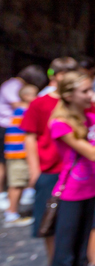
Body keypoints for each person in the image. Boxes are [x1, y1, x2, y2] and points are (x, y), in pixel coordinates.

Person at [46, 71, 95, 266]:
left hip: (90, 192)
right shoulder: (60, 124)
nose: (90, 95)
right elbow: (92, 154)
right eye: (85, 91)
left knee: (80, 257)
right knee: (63, 259)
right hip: (71, 194)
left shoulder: (90, 118)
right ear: (69, 95)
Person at [21, 57, 80, 261]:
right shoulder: (40, 103)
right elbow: (30, 136)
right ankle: (54, 264)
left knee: (77, 222)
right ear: (55, 77)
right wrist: (35, 170)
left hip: (75, 171)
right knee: (49, 223)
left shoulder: (79, 100)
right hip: (50, 170)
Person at [0, 65, 48, 210]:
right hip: (7, 129)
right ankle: (5, 197)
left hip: (13, 130)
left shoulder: (16, 86)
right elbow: (19, 104)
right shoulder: (13, 86)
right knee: (7, 165)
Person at [3, 84, 38, 227]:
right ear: (26, 96)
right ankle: (11, 213)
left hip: (17, 154)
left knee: (20, 182)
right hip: (18, 154)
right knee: (16, 184)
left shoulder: (19, 111)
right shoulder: (24, 112)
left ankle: (13, 211)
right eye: (34, 94)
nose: (37, 98)